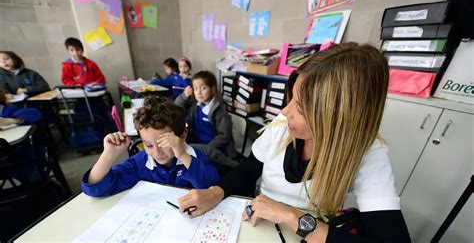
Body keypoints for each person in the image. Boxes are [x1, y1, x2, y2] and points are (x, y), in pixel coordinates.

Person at [177, 43, 411, 242]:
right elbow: (248, 170)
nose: (285, 111)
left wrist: (294, 216)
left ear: (338, 118)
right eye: (291, 99)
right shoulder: (283, 123)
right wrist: (216, 192)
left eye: (300, 107)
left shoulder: (368, 152)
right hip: (259, 223)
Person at [81, 96, 220, 197]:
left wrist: (182, 155)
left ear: (182, 136)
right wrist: (108, 155)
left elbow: (211, 188)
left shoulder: (196, 158)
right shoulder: (140, 163)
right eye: (148, 145)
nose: (157, 152)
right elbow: (95, 189)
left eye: (163, 143)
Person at [175, 70, 238, 160]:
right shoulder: (195, 105)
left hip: (215, 151)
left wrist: (206, 150)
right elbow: (177, 108)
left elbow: (224, 137)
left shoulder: (220, 113)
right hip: (197, 145)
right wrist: (185, 95)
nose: (198, 93)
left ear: (212, 89)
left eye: (203, 88)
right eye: (195, 88)